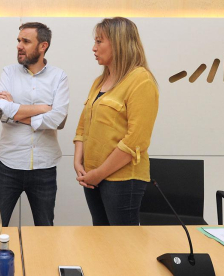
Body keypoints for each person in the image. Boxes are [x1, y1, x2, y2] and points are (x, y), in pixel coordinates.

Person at [73, 17, 159, 226]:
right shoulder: (99, 81)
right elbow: (83, 126)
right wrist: (78, 162)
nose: (94, 48)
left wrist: (99, 174)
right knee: (101, 240)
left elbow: (136, 140)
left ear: (119, 43)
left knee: (123, 246)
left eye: (99, 42)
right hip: (92, 177)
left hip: (122, 180)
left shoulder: (141, 79)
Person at [0, 22, 69, 227]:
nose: (19, 45)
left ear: (43, 46)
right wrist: (44, 108)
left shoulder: (59, 77)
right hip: (8, 164)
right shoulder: (8, 73)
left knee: (45, 228)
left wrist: (15, 110)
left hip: (45, 166)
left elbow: (58, 120)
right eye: (18, 40)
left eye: (26, 41)